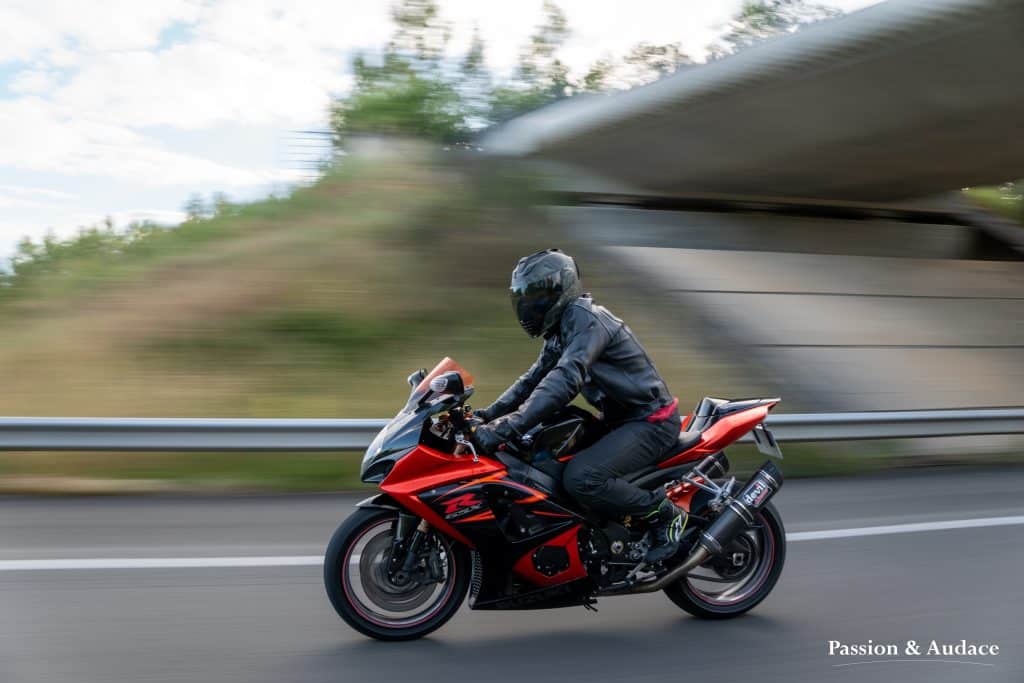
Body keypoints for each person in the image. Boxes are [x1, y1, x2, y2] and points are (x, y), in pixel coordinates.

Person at [472, 248, 687, 563]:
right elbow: (531, 382)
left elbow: (564, 380)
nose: (530, 305)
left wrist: (508, 425)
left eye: (538, 296)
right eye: (525, 298)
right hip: (617, 422)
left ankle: (664, 514)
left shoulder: (587, 320)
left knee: (581, 478)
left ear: (561, 290)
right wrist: (487, 415)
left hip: (650, 422)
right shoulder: (560, 331)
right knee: (541, 459)